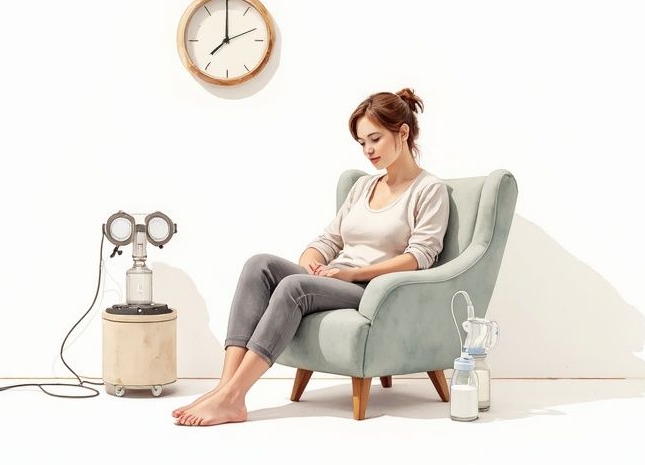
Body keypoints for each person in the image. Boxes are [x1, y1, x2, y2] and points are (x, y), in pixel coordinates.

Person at [173, 88, 450, 426]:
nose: (368, 150)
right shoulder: (364, 186)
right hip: (336, 279)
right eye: (362, 142)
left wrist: (353, 274)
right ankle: (224, 388)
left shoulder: (428, 189)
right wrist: (311, 262)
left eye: (375, 139)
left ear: (403, 132)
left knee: (294, 287)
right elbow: (328, 239)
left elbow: (420, 256)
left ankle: (234, 398)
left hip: (373, 291)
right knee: (259, 265)